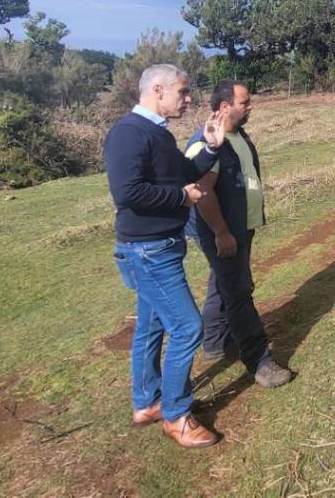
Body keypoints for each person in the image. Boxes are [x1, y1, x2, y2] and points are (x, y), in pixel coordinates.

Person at [103, 63, 226, 449]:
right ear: (157, 90)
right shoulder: (128, 134)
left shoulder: (157, 135)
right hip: (148, 252)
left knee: (152, 326)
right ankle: (176, 415)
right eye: (183, 93)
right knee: (189, 327)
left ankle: (147, 403)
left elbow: (188, 170)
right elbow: (127, 193)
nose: (188, 100)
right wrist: (179, 197)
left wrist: (211, 146)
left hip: (160, 247)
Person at [184, 80, 293, 389]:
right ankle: (259, 361)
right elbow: (202, 194)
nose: (250, 107)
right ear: (224, 107)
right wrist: (221, 233)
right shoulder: (203, 145)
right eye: (244, 102)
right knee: (239, 290)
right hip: (223, 230)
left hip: (241, 226)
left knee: (223, 281)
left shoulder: (237, 135)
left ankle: (215, 341)